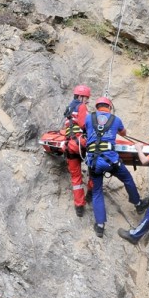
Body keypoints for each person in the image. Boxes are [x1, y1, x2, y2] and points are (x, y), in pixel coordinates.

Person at [84, 96, 148, 237]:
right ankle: (138, 204)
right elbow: (123, 133)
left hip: (94, 162)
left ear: (97, 107)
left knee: (97, 192)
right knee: (127, 178)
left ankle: (100, 226)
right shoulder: (116, 120)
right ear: (110, 108)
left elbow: (85, 130)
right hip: (111, 161)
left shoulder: (89, 118)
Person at [62, 84, 93, 217]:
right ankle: (91, 192)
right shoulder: (81, 106)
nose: (87, 101)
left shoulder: (69, 107)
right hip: (80, 143)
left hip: (69, 145)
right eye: (86, 98)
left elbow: (67, 127)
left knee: (76, 177)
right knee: (94, 168)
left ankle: (79, 206)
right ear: (80, 97)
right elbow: (83, 124)